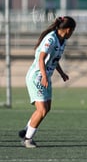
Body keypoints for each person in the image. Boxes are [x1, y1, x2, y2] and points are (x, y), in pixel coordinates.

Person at [18, 16, 76, 148]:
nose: (72, 34)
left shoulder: (62, 41)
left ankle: (26, 130)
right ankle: (27, 139)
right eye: (72, 31)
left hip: (45, 77)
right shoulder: (51, 39)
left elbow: (54, 59)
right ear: (67, 30)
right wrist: (44, 76)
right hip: (37, 77)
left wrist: (61, 73)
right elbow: (41, 58)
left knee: (47, 108)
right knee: (42, 110)